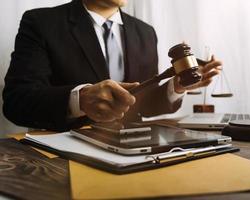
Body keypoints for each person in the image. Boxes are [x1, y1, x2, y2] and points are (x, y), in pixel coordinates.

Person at [2, 0, 222, 131]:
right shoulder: (41, 22)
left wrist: (178, 85)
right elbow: (17, 102)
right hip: (64, 157)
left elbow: (144, 103)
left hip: (135, 152)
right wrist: (80, 100)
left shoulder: (145, 32)